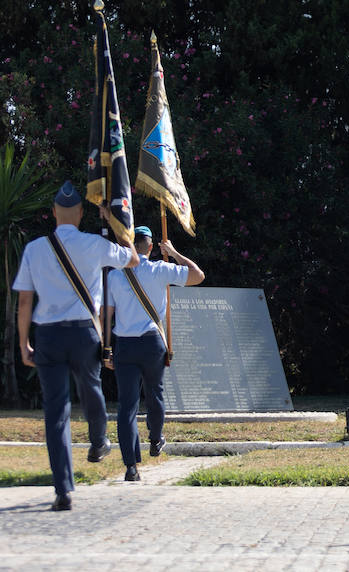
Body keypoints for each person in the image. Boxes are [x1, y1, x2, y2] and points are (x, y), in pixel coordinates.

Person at [13, 181, 138, 510]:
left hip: (49, 336)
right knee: (90, 386)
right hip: (85, 332)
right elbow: (134, 259)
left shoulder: (35, 249)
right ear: (81, 214)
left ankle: (63, 490)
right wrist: (113, 220)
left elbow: (25, 302)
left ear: (54, 213)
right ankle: (99, 440)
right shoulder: (94, 244)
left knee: (56, 412)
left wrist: (24, 343)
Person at [108, 226, 205, 481]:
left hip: (125, 344)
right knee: (155, 392)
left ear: (130, 244)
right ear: (151, 247)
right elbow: (198, 275)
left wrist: (106, 349)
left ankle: (131, 467)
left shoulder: (114, 275)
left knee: (127, 406)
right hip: (152, 342)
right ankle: (155, 438)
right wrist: (174, 253)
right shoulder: (160, 269)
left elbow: (105, 314)